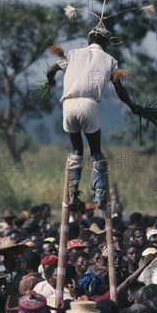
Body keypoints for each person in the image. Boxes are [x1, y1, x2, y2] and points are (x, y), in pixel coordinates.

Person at [46, 25, 143, 209]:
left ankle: (73, 194)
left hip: (68, 105)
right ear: (106, 44)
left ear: (89, 40)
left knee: (76, 152)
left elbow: (52, 69)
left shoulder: (74, 53)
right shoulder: (110, 59)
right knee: (96, 153)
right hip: (89, 105)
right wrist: (132, 106)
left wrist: (50, 82)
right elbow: (119, 88)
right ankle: (99, 196)